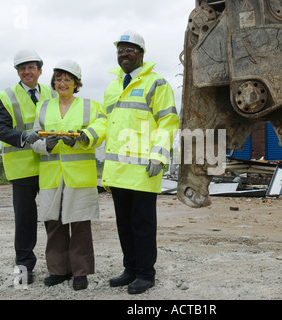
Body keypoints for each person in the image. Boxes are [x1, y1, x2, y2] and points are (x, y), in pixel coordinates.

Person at [87, 30, 179, 294]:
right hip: (118, 170)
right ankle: (130, 269)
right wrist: (85, 137)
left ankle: (146, 274)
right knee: (124, 225)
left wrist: (159, 155)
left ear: (141, 54)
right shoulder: (113, 86)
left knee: (142, 225)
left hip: (142, 170)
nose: (123, 54)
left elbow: (168, 123)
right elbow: (103, 121)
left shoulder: (156, 84)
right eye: (120, 50)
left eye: (129, 49)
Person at [31, 59, 100, 290]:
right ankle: (59, 270)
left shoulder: (90, 106)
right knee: (54, 223)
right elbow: (33, 138)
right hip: (51, 175)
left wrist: (82, 138)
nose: (62, 83)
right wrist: (45, 144)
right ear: (53, 82)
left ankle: (80, 272)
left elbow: (101, 128)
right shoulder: (43, 107)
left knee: (80, 224)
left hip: (79, 176)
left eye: (67, 79)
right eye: (58, 79)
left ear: (76, 83)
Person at [0, 49, 57, 284]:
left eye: (30, 67)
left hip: (49, 165)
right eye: (21, 68)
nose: (26, 72)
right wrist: (22, 136)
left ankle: (57, 267)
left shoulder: (52, 92)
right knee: (25, 221)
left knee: (53, 218)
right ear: (17, 72)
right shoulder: (6, 96)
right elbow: (1, 129)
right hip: (22, 169)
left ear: (40, 70)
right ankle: (24, 268)